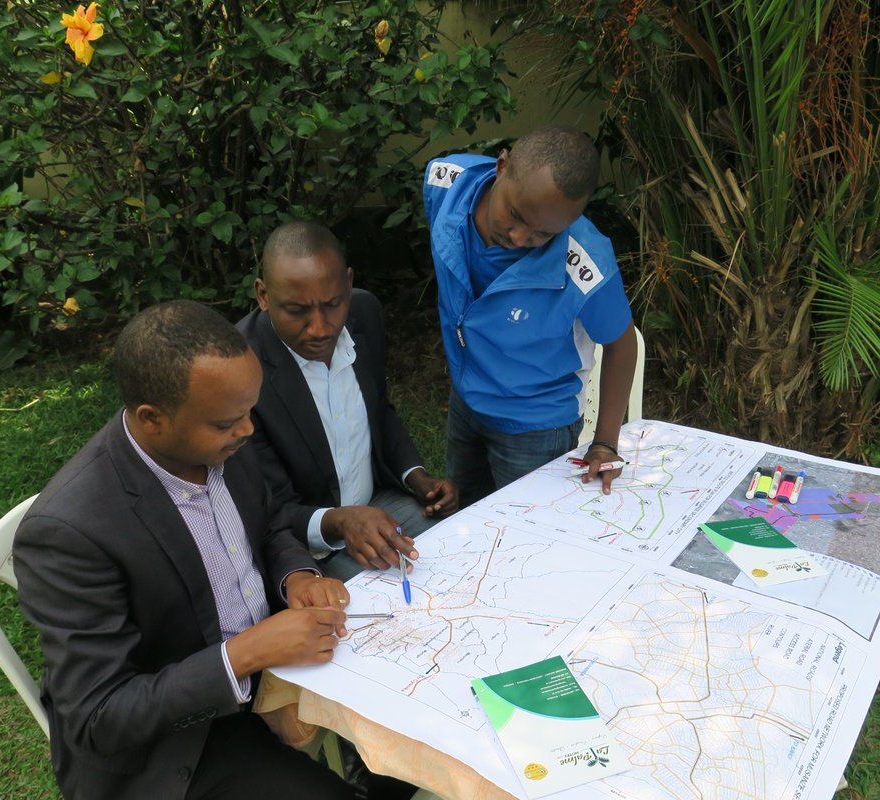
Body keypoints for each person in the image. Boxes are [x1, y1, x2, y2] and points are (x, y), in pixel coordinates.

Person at [13, 300, 357, 800]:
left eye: (249, 411)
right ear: (153, 419)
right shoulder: (69, 532)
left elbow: (269, 529)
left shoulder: (221, 441)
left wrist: (297, 578)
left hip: (273, 668)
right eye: (226, 423)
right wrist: (243, 655)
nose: (247, 431)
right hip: (181, 741)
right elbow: (98, 717)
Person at [422, 124, 639, 507]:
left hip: (536, 426)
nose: (520, 238)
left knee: (524, 539)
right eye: (515, 215)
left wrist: (605, 441)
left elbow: (621, 344)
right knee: (465, 519)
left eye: (543, 234)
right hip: (466, 401)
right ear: (501, 166)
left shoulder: (585, 264)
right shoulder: (445, 184)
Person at [238, 221, 458, 580]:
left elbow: (379, 410)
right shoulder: (240, 369)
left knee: (462, 551)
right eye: (297, 310)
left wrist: (417, 477)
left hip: (377, 506)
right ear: (262, 295)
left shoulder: (364, 313)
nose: (321, 327)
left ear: (349, 283)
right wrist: (341, 521)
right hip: (300, 547)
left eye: (333, 304)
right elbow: (263, 506)